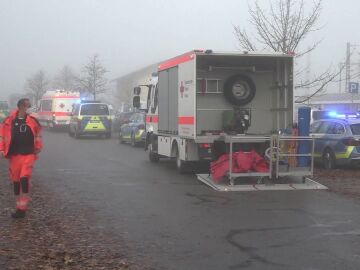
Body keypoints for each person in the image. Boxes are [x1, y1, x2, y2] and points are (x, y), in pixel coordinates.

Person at [0, 98, 42, 218]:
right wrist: (2, 150)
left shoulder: (32, 121)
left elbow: (38, 134)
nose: (27, 108)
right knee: (16, 182)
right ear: (20, 106)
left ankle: (23, 208)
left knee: (24, 179)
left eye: (27, 106)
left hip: (28, 154)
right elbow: (2, 136)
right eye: (25, 106)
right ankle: (19, 208)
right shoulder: (9, 121)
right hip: (14, 155)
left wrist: (38, 146)